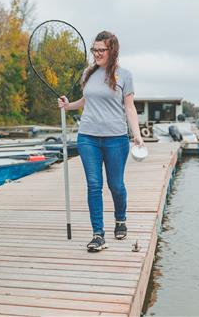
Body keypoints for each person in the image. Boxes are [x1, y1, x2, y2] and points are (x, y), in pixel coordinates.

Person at [58, 30, 144, 252]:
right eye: (94, 49)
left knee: (115, 185)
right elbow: (88, 100)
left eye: (101, 50)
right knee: (94, 185)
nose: (96, 54)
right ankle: (98, 234)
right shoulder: (88, 73)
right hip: (88, 137)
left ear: (112, 50)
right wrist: (69, 105)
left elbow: (129, 106)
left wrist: (137, 134)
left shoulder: (124, 75)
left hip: (116, 138)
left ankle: (120, 219)